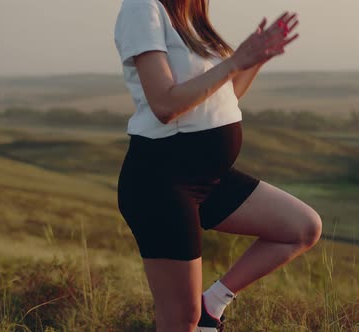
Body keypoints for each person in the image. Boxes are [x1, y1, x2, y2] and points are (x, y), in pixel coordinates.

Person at [114, 0, 321, 331]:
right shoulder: (143, 7)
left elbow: (225, 97)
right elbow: (165, 104)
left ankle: (213, 303)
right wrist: (235, 60)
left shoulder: (192, 20)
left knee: (301, 227)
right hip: (162, 181)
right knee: (180, 321)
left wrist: (254, 61)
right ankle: (201, 316)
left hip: (206, 177)